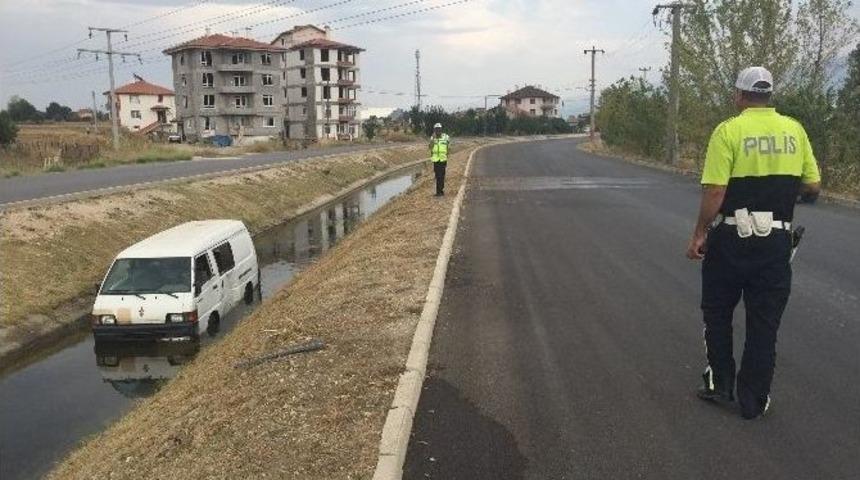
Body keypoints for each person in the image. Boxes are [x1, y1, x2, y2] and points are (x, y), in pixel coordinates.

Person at [685, 66, 821, 419]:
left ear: (739, 96)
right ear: (769, 94)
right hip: (776, 241)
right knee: (764, 323)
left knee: (717, 312)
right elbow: (813, 185)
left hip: (731, 237)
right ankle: (753, 401)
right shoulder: (794, 130)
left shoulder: (728, 130)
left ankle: (720, 383)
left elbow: (716, 191)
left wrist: (700, 232)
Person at [429, 123, 450, 196]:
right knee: (438, 176)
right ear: (434, 130)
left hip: (443, 159)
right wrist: (432, 139)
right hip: (436, 160)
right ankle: (440, 191)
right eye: (436, 129)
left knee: (441, 175)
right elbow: (430, 147)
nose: (438, 130)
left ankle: (440, 191)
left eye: (439, 129)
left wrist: (447, 155)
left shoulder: (446, 137)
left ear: (441, 129)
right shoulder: (432, 138)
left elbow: (448, 147)